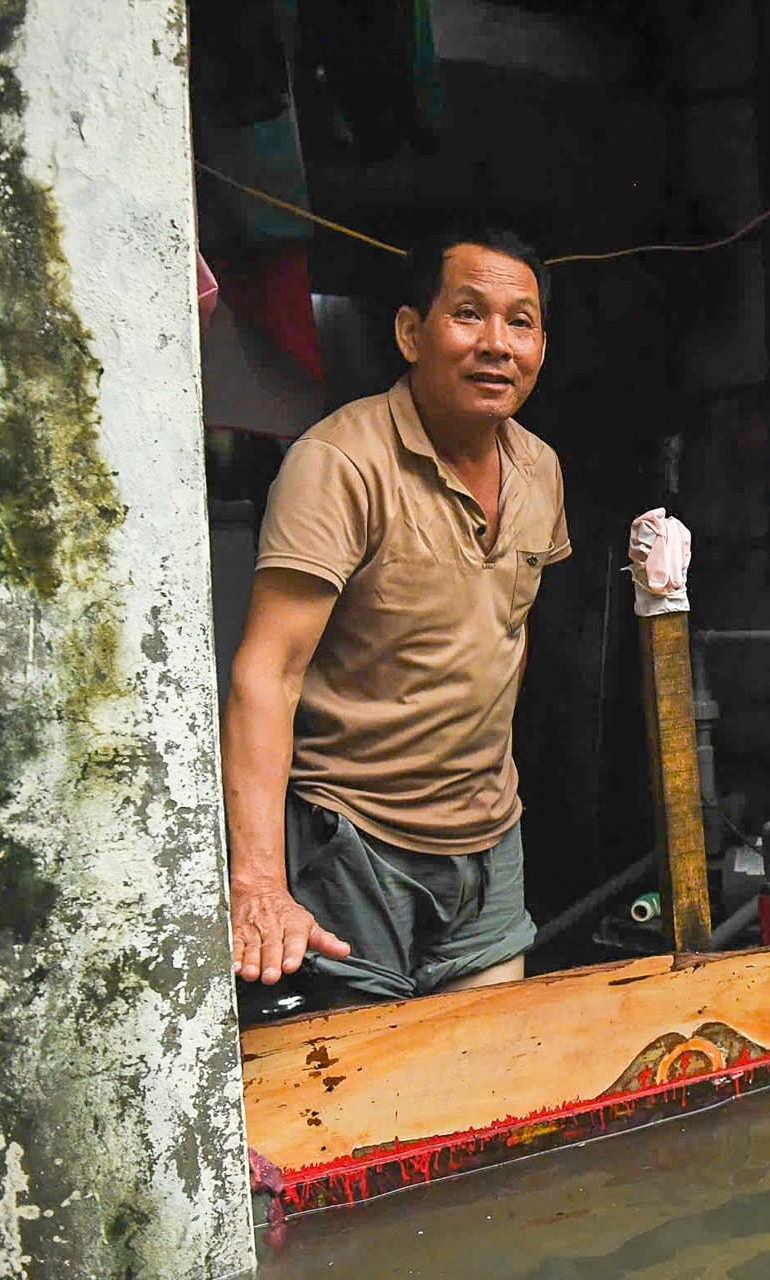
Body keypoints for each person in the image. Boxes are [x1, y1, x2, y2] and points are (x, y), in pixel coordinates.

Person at [222, 226, 568, 1007]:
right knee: (360, 1074)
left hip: (488, 843)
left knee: (492, 1068)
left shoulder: (541, 469)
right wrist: (259, 883)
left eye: (520, 322)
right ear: (412, 333)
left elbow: (498, 638)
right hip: (354, 843)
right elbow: (266, 672)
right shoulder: (338, 463)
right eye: (468, 313)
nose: (496, 343)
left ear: (541, 346)